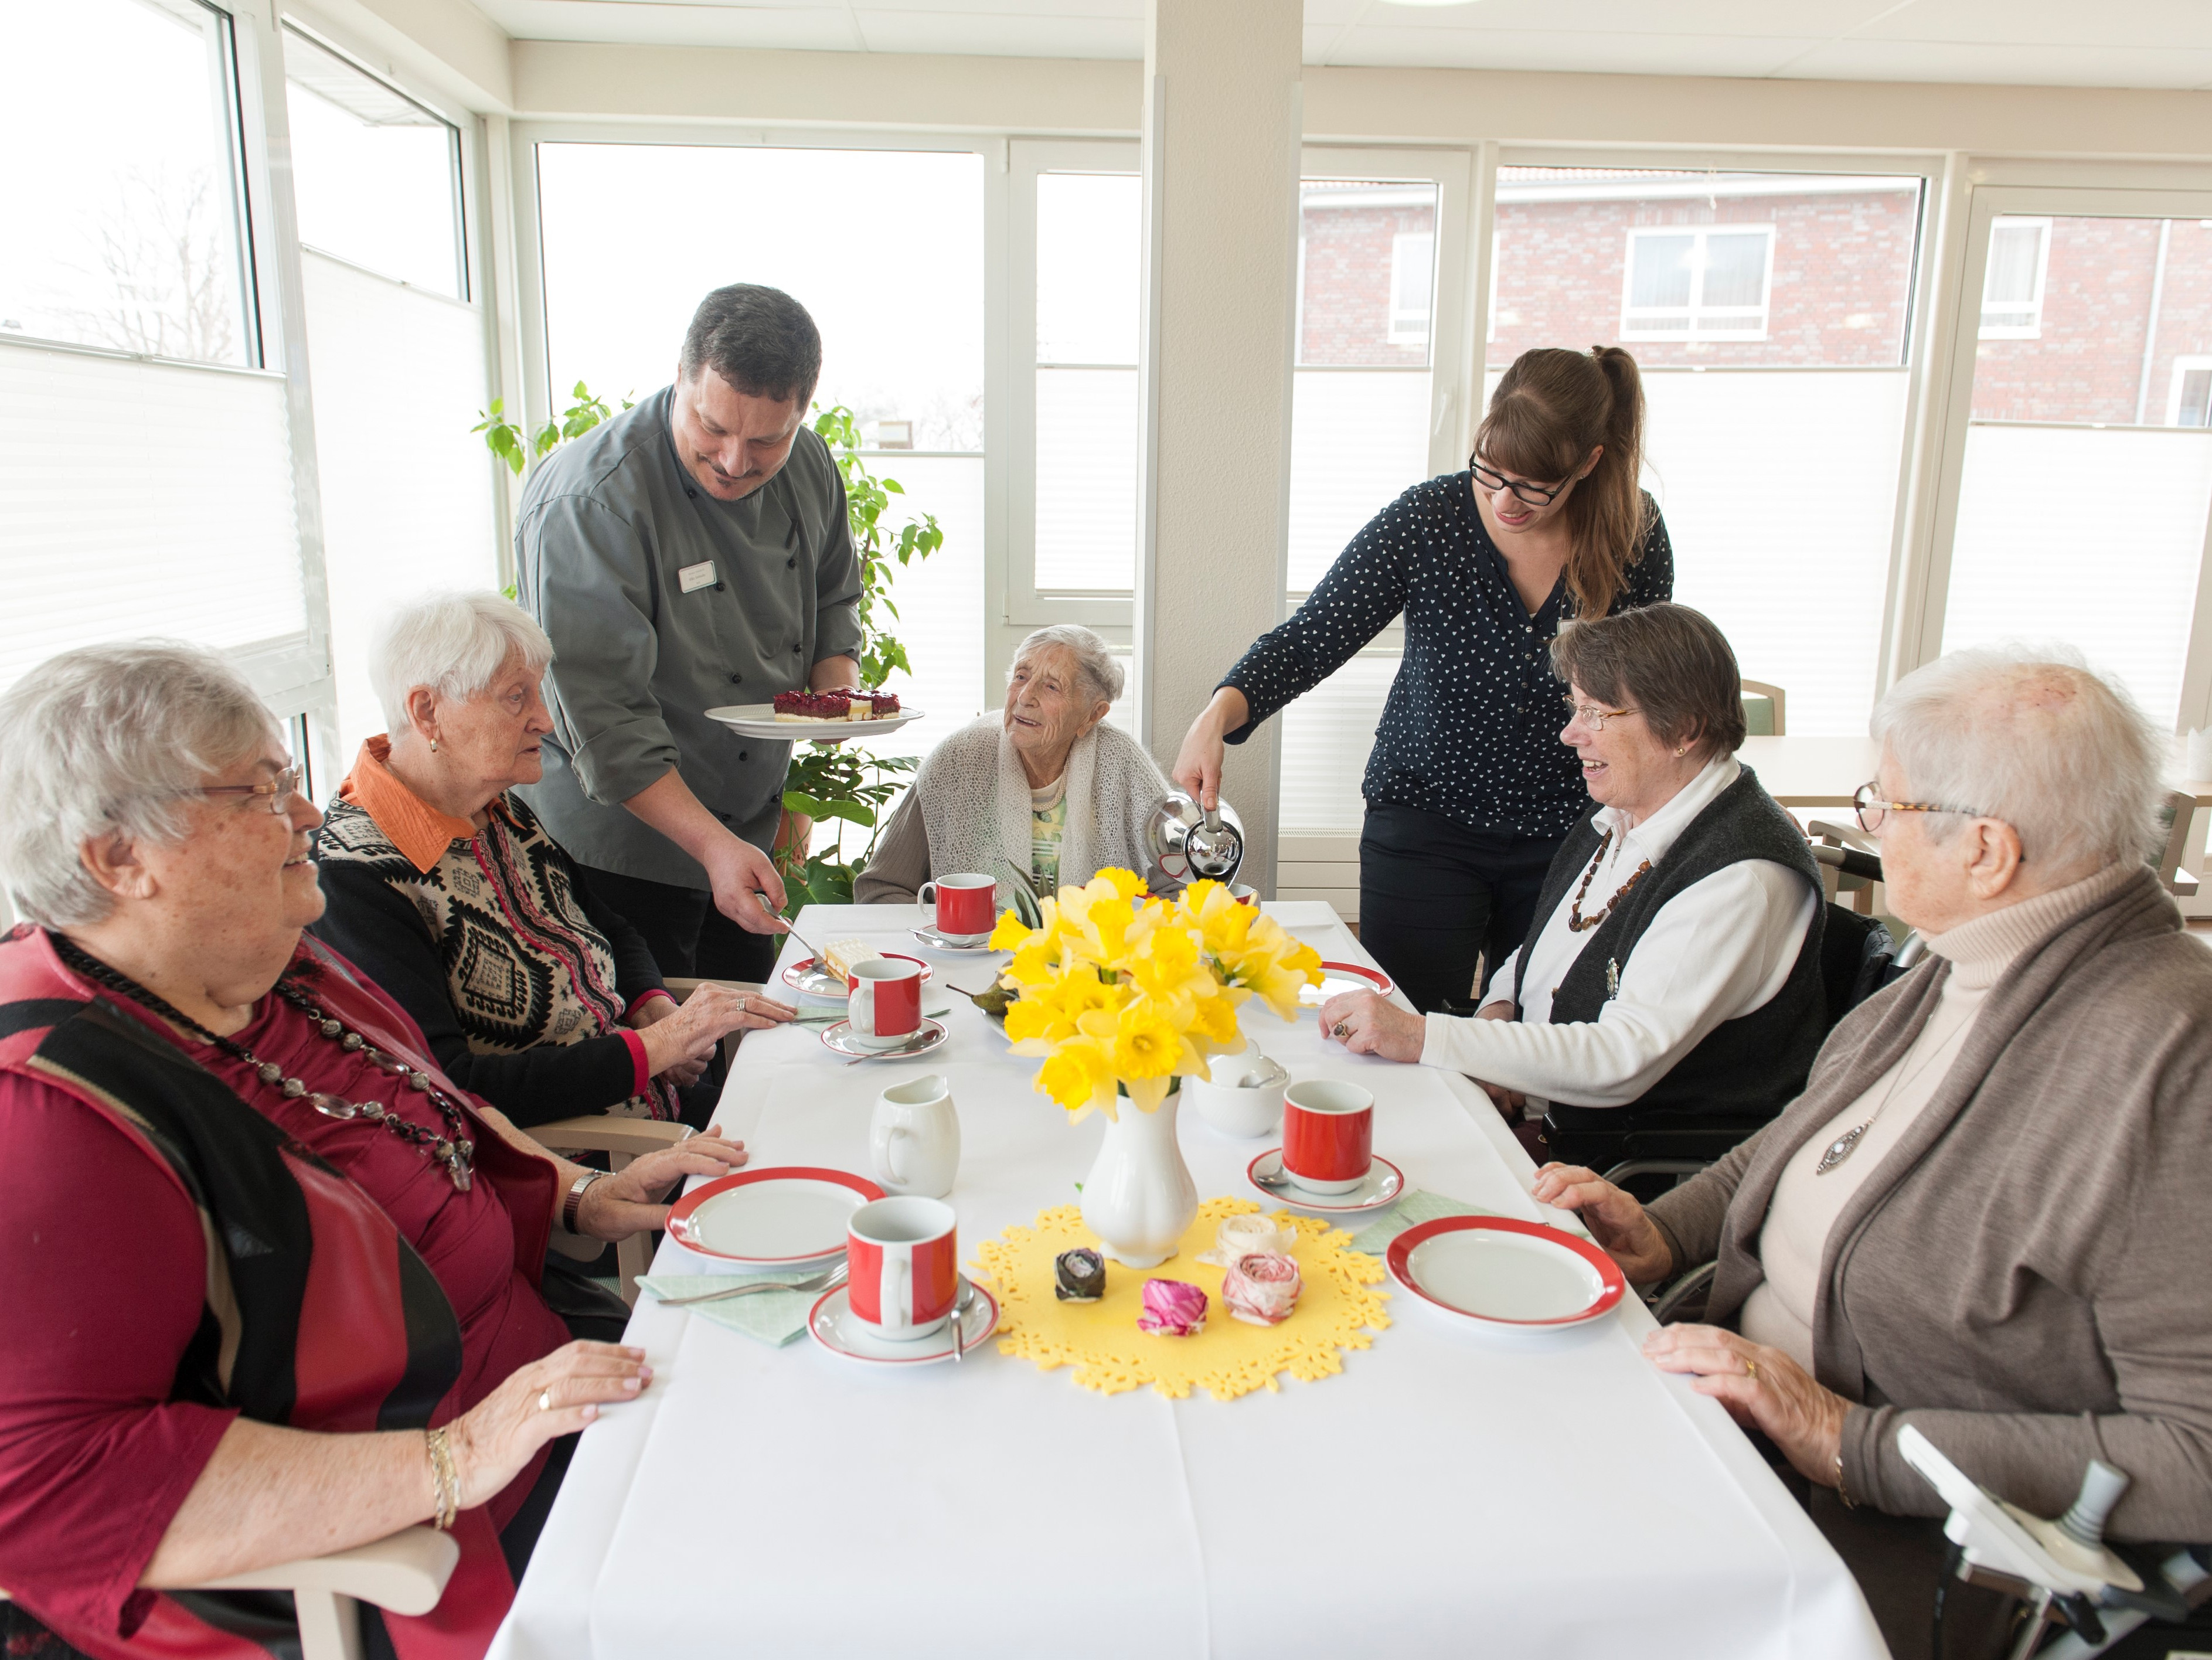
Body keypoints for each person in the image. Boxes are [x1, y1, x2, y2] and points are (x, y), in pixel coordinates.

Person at [0, 642, 751, 1658]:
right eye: (261, 790)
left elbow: (429, 1107)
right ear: (119, 859)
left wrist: (576, 1191)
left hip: (546, 1373)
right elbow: (52, 1487)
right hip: (421, 1540)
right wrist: (453, 1458)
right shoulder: (48, 1114)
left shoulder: (271, 959)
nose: (308, 812)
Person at [1528, 647, 2212, 1660]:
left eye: (1881, 803)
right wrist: (1664, 1232)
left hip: (1887, 1540)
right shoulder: (1964, 956)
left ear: (1983, 849)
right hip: (1724, 1409)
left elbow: (2192, 1454)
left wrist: (1846, 1438)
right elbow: (1809, 1131)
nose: (1866, 829)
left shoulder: (2166, 1063)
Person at [1173, 345, 1674, 1013]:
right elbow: (1310, 638)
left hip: (1571, 833)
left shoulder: (1633, 537)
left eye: (1533, 485)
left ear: (1588, 463)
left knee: (1537, 1032)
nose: (1504, 500)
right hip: (1426, 823)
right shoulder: (1428, 519)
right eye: (1491, 471)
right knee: (1403, 1023)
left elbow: (1642, 698)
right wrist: (1215, 718)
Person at [1318, 604, 1823, 1158]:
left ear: (1683, 729)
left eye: (1596, 714)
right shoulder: (1625, 810)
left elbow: (1619, 1062)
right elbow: (1541, 951)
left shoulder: (1737, 878)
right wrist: (1496, 1021)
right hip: (1534, 1109)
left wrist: (1425, 1037)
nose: (1569, 734)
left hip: (1608, 1163)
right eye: (1574, 708)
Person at [312, 591, 794, 1132]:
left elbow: (610, 929)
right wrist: (657, 1047)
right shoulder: (354, 874)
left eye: (538, 694)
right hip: (597, 1160)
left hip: (662, 1110)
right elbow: (447, 1086)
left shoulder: (499, 810)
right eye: (516, 698)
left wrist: (652, 1008)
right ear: (427, 712)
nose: (545, 720)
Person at [516, 283, 863, 985]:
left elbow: (834, 593)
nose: (736, 460)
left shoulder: (811, 464)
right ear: (680, 379)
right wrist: (712, 846)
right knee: (663, 1061)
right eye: (713, 428)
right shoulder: (592, 501)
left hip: (742, 834)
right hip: (616, 848)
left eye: (768, 438)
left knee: (744, 1036)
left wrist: (836, 702)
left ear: (802, 412)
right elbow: (605, 720)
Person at [856, 625, 1169, 906]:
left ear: (1092, 715)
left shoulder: (1124, 765)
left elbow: (1181, 890)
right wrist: (953, 926)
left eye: (1051, 687)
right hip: (972, 958)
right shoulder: (958, 761)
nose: (1025, 697)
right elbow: (879, 891)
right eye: (1021, 676)